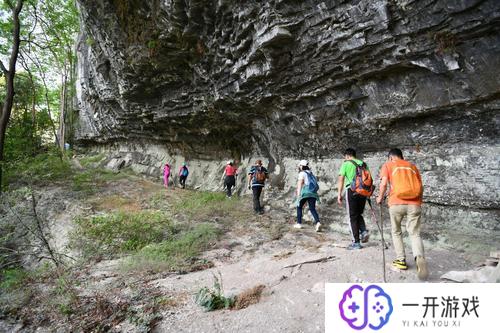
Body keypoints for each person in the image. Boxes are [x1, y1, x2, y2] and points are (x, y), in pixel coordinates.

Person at [376, 148, 428, 280]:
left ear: (391, 157)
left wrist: (380, 197)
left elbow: (383, 184)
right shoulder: (412, 166)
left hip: (396, 203)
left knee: (396, 231)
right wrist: (418, 202)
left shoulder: (388, 165)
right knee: (414, 233)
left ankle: (401, 260)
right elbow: (420, 187)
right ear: (401, 156)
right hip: (414, 204)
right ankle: (419, 257)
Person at [337, 148, 370, 250]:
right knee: (358, 214)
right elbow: (368, 178)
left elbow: (341, 179)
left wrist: (339, 194)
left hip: (352, 191)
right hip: (363, 192)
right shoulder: (363, 163)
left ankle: (356, 242)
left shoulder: (346, 163)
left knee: (352, 216)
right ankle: (363, 231)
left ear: (347, 156)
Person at [294, 160, 321, 231]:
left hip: (305, 192)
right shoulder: (311, 173)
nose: (299, 167)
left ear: (302, 166)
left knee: (299, 206)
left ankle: (299, 223)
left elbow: (300, 184)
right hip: (313, 193)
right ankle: (318, 223)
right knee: (312, 208)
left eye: (300, 166)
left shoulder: (302, 173)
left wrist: (298, 194)